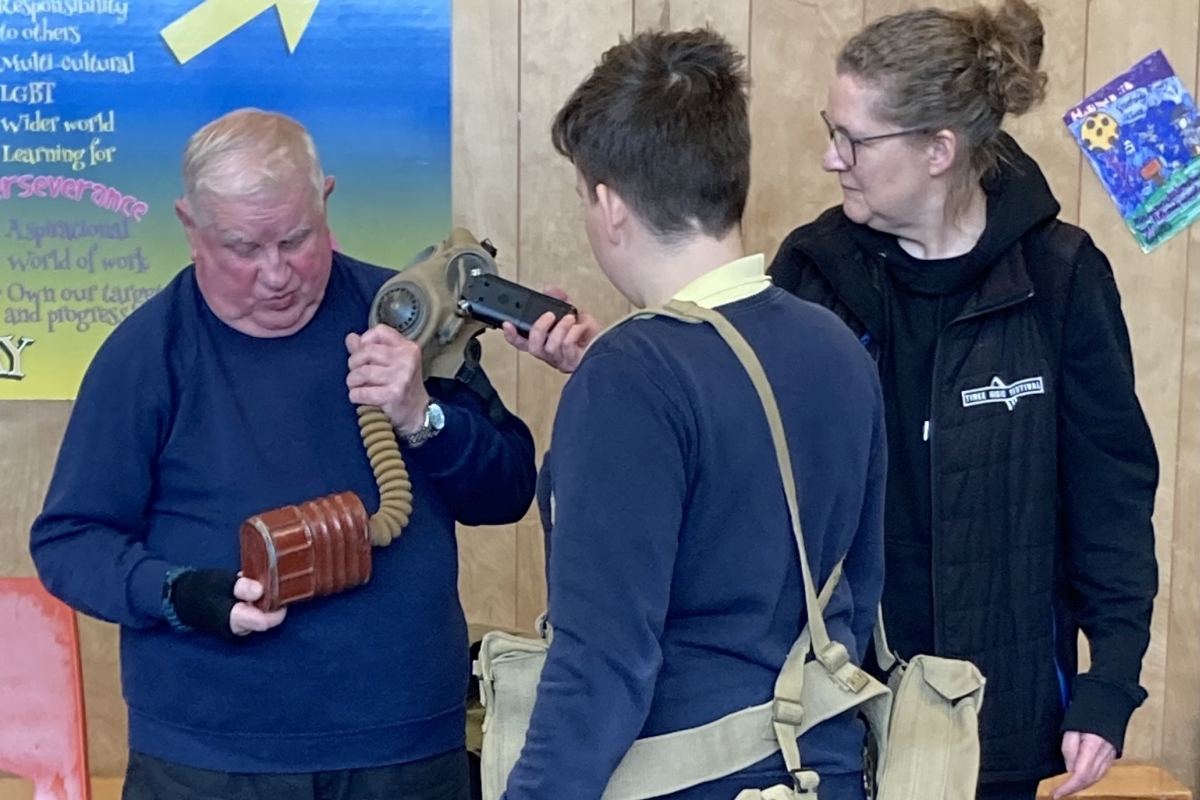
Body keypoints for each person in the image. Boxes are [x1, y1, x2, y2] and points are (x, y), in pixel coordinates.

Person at [509, 5, 1160, 800]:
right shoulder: (815, 277)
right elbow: (752, 442)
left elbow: (1113, 500)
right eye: (831, 128)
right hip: (840, 715)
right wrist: (633, 377)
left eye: (854, 139)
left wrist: (1110, 682)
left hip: (1005, 710)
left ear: (938, 150)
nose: (829, 157)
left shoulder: (1060, 276)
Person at [30, 108, 537, 800]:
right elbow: (69, 540)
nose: (276, 275)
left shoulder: (402, 319)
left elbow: (508, 490)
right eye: (244, 248)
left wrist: (424, 414)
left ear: (325, 200)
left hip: (405, 744)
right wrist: (180, 593)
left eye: (297, 240)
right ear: (190, 227)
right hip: (210, 758)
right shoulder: (146, 354)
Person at [501, 29, 887, 800]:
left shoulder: (630, 377)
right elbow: (862, 588)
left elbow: (600, 665)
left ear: (609, 205)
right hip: (823, 770)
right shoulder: (835, 343)